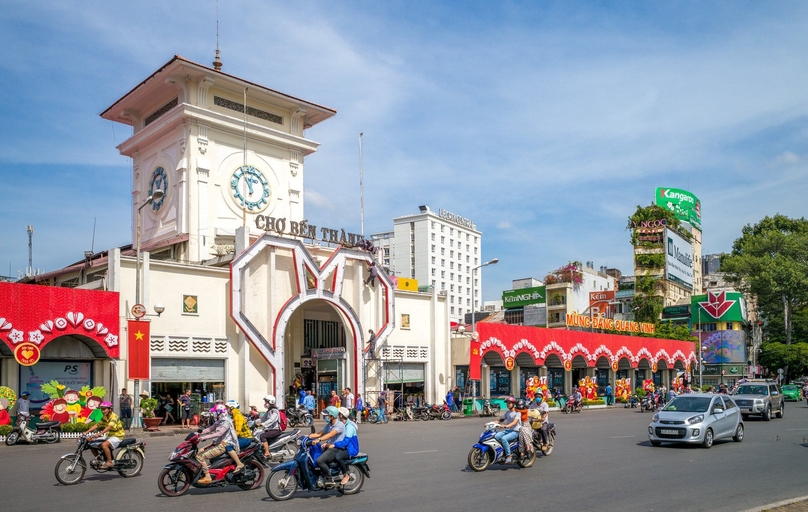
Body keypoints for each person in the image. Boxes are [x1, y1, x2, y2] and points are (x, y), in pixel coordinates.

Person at [196, 404, 242, 484]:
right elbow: (209, 429)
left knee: (200, 456)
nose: (214, 414)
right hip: (218, 443)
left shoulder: (226, 422)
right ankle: (206, 470)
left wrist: (204, 437)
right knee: (199, 451)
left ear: (220, 413)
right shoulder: (220, 421)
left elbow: (219, 433)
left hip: (223, 445)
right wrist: (197, 433)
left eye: (215, 412)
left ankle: (207, 476)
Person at [310, 406, 346, 486]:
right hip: (328, 446)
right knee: (313, 457)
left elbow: (330, 434)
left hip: (336, 448)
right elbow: (319, 433)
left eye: (327, 415)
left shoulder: (339, 425)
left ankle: (329, 478)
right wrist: (307, 436)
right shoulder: (329, 424)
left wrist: (319, 440)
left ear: (332, 416)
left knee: (319, 461)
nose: (326, 417)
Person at [85, 402, 126, 468]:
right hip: (109, 435)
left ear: (110, 409)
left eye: (104, 409)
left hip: (117, 436)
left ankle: (109, 462)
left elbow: (109, 426)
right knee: (92, 444)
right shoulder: (105, 417)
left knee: (104, 445)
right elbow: (97, 425)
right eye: (102, 409)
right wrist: (86, 432)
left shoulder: (114, 417)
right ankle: (100, 460)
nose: (103, 411)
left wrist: (100, 433)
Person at [331, 407, 359, 486]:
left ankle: (345, 474)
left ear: (341, 416)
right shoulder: (342, 424)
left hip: (350, 449)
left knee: (338, 457)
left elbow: (346, 442)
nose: (337, 416)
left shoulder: (349, 426)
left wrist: (334, 445)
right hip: (344, 447)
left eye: (339, 414)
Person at [494, 396, 521, 464]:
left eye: (509, 403)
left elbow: (514, 422)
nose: (508, 404)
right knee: (496, 436)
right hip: (509, 430)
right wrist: (493, 423)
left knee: (504, 439)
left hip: (516, 431)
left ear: (513, 404)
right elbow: (501, 419)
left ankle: (509, 456)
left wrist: (506, 426)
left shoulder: (517, 412)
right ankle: (503, 451)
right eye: (507, 403)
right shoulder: (507, 412)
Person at [257, 394, 282, 459]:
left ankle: (267, 452)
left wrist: (263, 424)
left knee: (262, 436)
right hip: (270, 429)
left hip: (276, 430)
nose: (265, 403)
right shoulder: (269, 411)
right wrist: (254, 422)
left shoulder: (275, 411)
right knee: (258, 433)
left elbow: (272, 420)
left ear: (271, 402)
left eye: (266, 402)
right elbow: (263, 418)